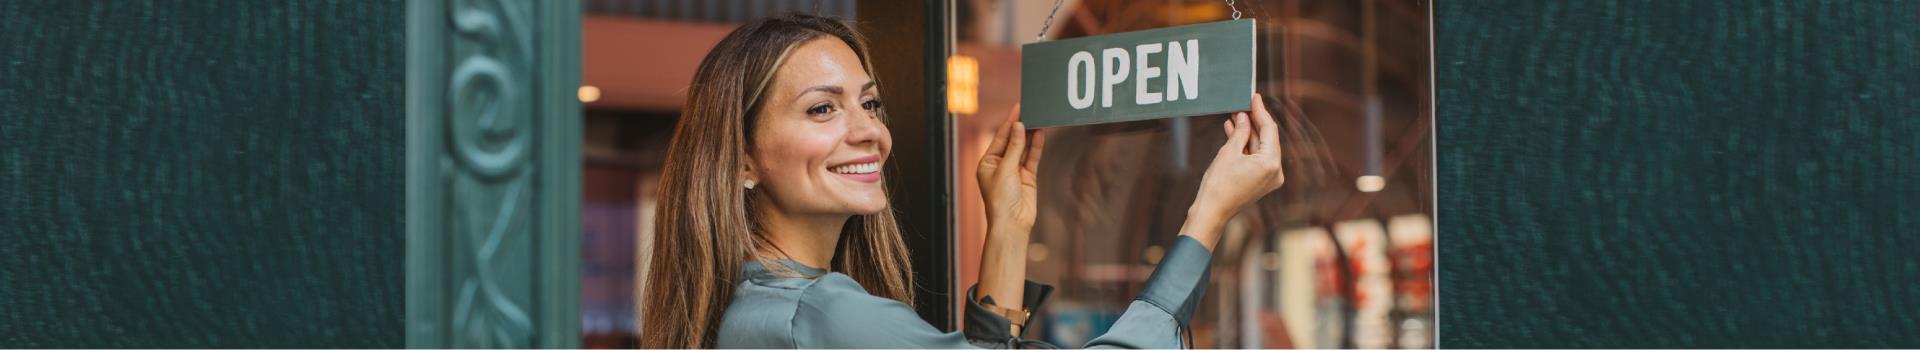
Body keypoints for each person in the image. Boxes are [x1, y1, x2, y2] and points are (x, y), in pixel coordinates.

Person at [639, 13, 1287, 348]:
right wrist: (1209, 214)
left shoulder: (749, 310)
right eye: (821, 108)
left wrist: (1007, 228)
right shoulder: (822, 315)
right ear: (743, 160)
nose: (867, 130)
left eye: (869, 103)